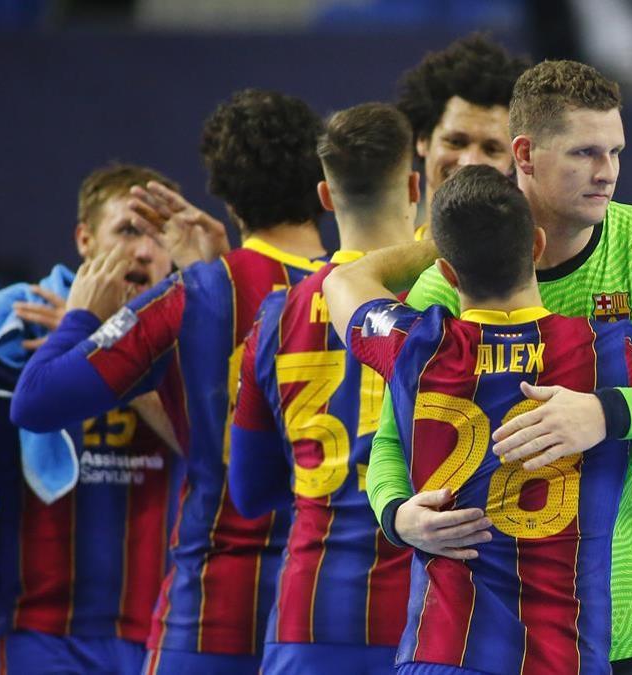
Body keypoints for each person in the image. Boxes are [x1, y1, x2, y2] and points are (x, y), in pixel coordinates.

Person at [369, 60, 632, 674]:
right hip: (529, 635)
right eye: (584, 153)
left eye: (615, 151)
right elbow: (392, 438)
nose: (607, 173)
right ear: (523, 154)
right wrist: (398, 514)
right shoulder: (447, 284)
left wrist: (605, 412)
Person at [10, 89, 330, 674]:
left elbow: (36, 400)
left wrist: (81, 319)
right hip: (327, 609)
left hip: (212, 609)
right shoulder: (369, 294)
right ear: (322, 190)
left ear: (226, 196)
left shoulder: (199, 293)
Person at [0, 163, 178, 675]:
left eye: (161, 234)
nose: (143, 250)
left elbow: (213, 451)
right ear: (85, 239)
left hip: (164, 633)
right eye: (128, 229)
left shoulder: (192, 334)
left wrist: (105, 350)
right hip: (39, 633)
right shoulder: (13, 327)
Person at [227, 103, 421, 674]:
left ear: (325, 196)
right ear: (414, 184)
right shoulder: (450, 301)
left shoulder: (277, 314)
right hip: (427, 619)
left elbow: (249, 490)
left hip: (307, 617)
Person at [395, 33, 528, 239]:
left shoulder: (537, 262)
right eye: (456, 142)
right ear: (422, 140)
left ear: (513, 162)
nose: (470, 162)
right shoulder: (375, 269)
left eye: (491, 149)